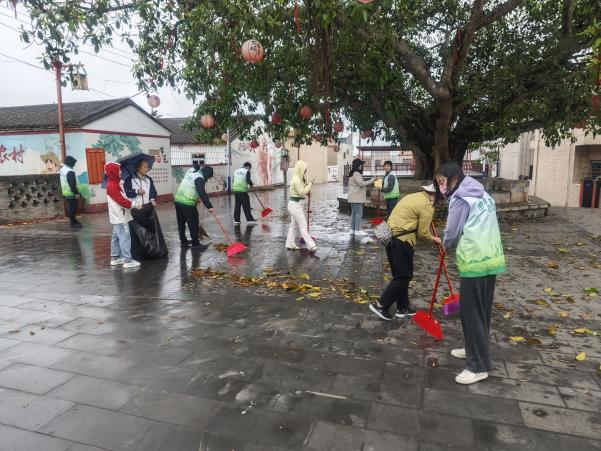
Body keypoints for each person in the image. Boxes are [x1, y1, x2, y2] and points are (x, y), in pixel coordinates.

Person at [435, 161, 506, 385]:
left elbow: (452, 233)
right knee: (481, 311)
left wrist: (445, 244)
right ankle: (472, 348)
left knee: (470, 312)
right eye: (438, 183)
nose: (441, 187)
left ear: (454, 179)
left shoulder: (460, 199)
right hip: (492, 258)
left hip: (475, 261)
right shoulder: (483, 195)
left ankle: (478, 366)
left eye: (443, 182)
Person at [369, 184, 441, 320]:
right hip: (402, 240)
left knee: (401, 275)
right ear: (434, 195)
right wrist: (435, 239)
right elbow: (422, 233)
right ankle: (380, 305)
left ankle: (403, 308)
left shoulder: (413, 196)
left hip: (390, 237)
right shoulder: (427, 205)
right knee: (403, 276)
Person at [105, 162, 141, 268]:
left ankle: (115, 258)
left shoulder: (115, 184)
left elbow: (122, 198)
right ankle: (128, 260)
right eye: (118, 170)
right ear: (113, 172)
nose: (120, 172)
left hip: (118, 215)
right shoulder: (113, 186)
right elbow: (121, 201)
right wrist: (135, 205)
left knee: (116, 237)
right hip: (120, 216)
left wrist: (121, 183)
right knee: (125, 237)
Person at [174, 154, 214, 250]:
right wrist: (209, 206)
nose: (207, 179)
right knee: (193, 223)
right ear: (207, 175)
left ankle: (183, 241)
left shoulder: (191, 172)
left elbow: (191, 185)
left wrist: (197, 198)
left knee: (181, 222)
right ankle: (195, 244)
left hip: (178, 201)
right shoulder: (200, 178)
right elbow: (202, 193)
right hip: (187, 203)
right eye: (208, 177)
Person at [285, 160, 318, 252]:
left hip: (296, 205)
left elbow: (301, 190)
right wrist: (310, 184)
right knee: (303, 226)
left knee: (293, 226)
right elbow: (302, 191)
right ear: (300, 169)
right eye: (304, 169)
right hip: (295, 206)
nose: (305, 171)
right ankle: (312, 246)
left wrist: (307, 192)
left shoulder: (298, 178)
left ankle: (290, 244)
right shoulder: (297, 179)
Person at [348, 158, 378, 236]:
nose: (361, 166)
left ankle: (353, 230)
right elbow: (361, 183)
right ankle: (358, 230)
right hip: (357, 197)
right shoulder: (356, 173)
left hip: (352, 197)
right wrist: (372, 180)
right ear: (357, 165)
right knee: (358, 213)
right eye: (360, 164)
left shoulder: (352, 173)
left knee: (354, 213)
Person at [60, 155, 83, 229]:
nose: (74, 165)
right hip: (71, 192)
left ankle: (74, 221)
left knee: (71, 208)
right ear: (71, 163)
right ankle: (73, 223)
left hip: (66, 192)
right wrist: (76, 193)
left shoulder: (63, 169)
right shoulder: (70, 171)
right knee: (73, 208)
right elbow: (72, 184)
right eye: (74, 163)